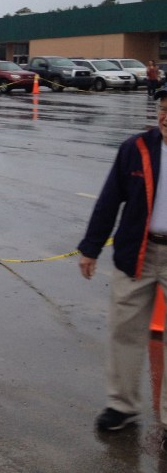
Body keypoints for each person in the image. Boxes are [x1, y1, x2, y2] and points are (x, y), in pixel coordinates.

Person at [78, 87, 167, 433]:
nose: (165, 116)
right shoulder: (136, 148)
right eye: (163, 108)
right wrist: (91, 248)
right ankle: (122, 405)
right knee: (124, 331)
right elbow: (109, 199)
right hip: (137, 253)